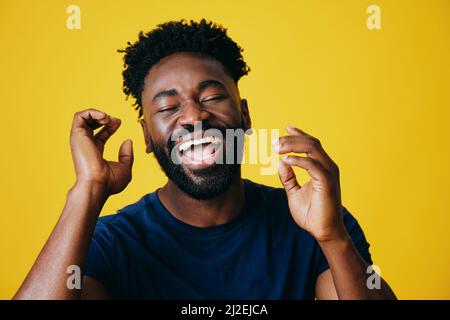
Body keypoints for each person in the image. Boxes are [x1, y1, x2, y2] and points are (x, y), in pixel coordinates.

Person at [14, 19, 396, 300]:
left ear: (244, 117)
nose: (195, 116)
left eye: (212, 98)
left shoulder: (318, 225)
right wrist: (86, 193)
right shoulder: (108, 243)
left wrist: (334, 239)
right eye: (168, 107)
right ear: (148, 136)